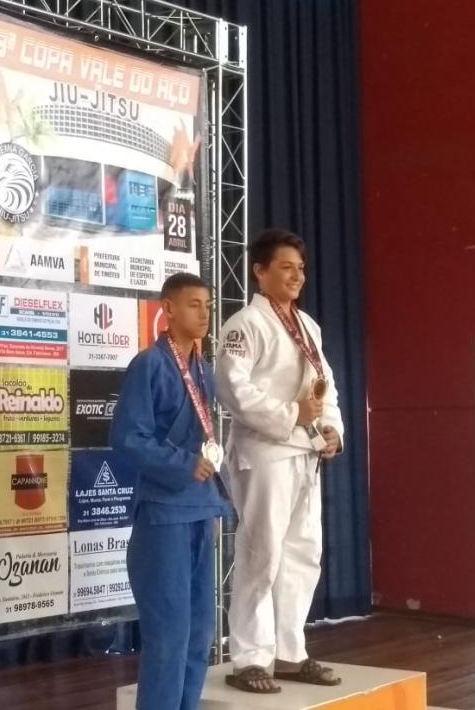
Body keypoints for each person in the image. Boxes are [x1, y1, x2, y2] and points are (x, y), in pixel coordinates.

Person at [215, 228, 344, 694]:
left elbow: (324, 385)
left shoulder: (307, 325)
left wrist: (331, 428)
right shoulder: (244, 325)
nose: (297, 276)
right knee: (262, 554)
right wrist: (292, 414)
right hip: (264, 452)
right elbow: (234, 390)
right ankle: (250, 658)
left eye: (301, 268)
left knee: (302, 555)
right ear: (260, 271)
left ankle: (289, 652)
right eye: (286, 267)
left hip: (305, 452)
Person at [110, 272, 232, 710]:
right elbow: (128, 437)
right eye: (194, 305)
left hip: (200, 508)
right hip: (163, 512)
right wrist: (183, 464)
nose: (204, 314)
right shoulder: (150, 364)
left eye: (208, 306)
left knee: (200, 631)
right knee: (169, 633)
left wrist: (212, 494)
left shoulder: (203, 370)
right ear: (169, 309)